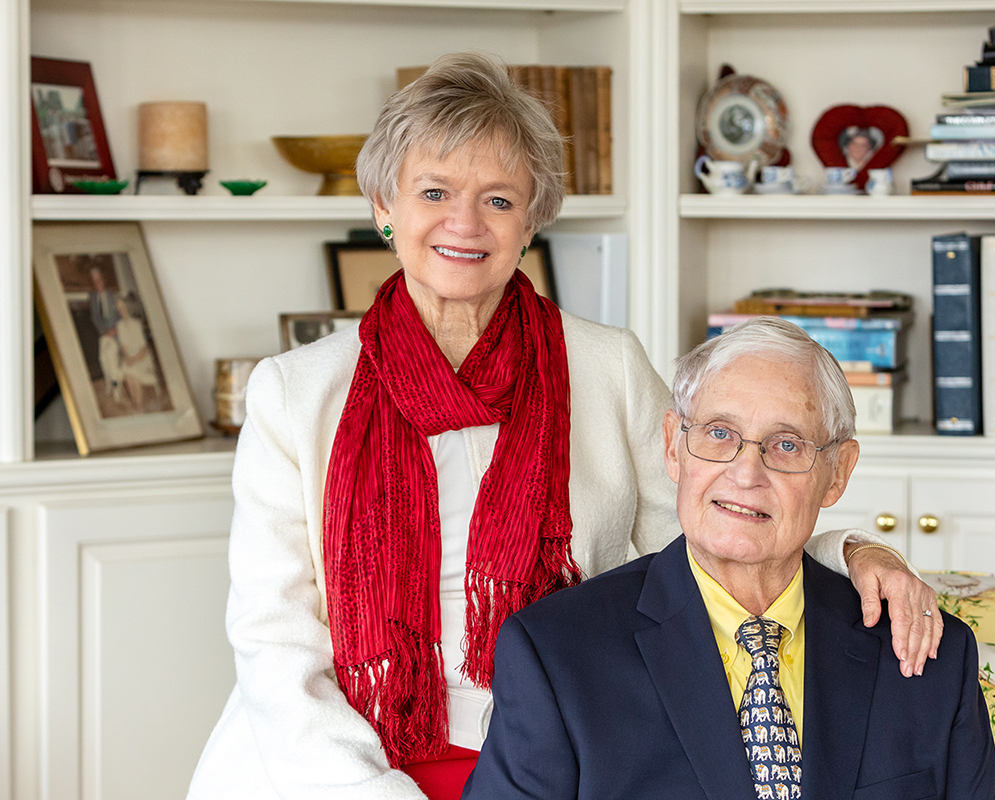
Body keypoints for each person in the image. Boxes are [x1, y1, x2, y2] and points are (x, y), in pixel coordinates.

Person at [187, 52, 941, 800]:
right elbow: (275, 645)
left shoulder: (606, 367)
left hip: (575, 752)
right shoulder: (294, 393)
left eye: (498, 200)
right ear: (384, 207)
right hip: (327, 763)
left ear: (533, 219)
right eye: (434, 191)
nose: (464, 223)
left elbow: (718, 533)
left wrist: (851, 550)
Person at [464, 318, 995, 800]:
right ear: (674, 446)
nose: (747, 474)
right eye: (720, 434)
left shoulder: (924, 652)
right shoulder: (557, 654)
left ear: (837, 472)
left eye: (787, 444)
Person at [113, 293, 160, 412]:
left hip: (141, 357)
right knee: (128, 374)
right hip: (129, 357)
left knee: (132, 371)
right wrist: (127, 358)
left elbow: (143, 349)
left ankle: (139, 406)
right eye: (119, 309)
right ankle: (136, 404)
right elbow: (123, 348)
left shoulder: (136, 324)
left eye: (123, 308)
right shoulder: (119, 325)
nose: (121, 311)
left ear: (128, 307)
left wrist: (133, 360)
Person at [87, 262, 122, 402]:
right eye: (94, 281)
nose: (97, 283)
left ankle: (116, 388)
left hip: (115, 334)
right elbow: (94, 317)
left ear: (103, 279)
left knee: (111, 360)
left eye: (99, 279)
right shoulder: (92, 297)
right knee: (103, 359)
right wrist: (103, 331)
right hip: (103, 335)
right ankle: (108, 383)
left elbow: (121, 314)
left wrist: (115, 329)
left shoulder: (113, 295)